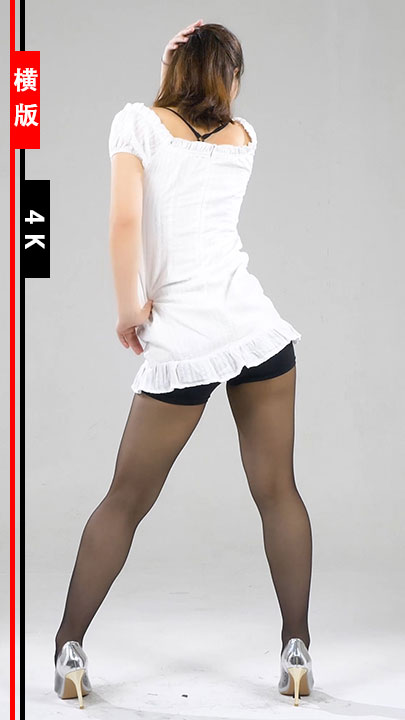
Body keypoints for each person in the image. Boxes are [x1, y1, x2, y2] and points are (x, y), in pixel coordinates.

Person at [54, 19, 314, 709]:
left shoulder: (136, 123)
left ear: (174, 66)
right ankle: (296, 648)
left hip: (184, 335)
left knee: (124, 501)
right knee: (278, 492)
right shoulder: (244, 137)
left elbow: (125, 222)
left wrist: (128, 309)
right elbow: (192, 143)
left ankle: (69, 649)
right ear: (231, 77)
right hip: (254, 327)